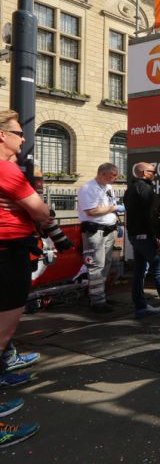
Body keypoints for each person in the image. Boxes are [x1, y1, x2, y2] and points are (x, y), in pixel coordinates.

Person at [0, 110, 50, 445]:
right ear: (2, 135)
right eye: (19, 133)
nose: (23, 140)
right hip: (7, 255)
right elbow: (42, 211)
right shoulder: (5, 169)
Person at [123, 162, 160, 319]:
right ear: (144, 173)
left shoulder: (130, 189)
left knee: (140, 272)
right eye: (153, 171)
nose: (155, 174)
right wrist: (157, 238)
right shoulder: (145, 189)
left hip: (135, 235)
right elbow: (151, 216)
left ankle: (141, 307)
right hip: (145, 236)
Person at [78, 163, 123, 313]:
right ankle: (97, 300)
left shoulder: (108, 187)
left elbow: (109, 204)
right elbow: (91, 211)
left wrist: (115, 218)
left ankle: (99, 295)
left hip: (109, 230)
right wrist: (114, 208)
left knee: (106, 264)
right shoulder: (87, 188)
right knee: (96, 266)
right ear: (103, 174)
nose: (116, 178)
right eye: (113, 175)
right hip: (95, 231)